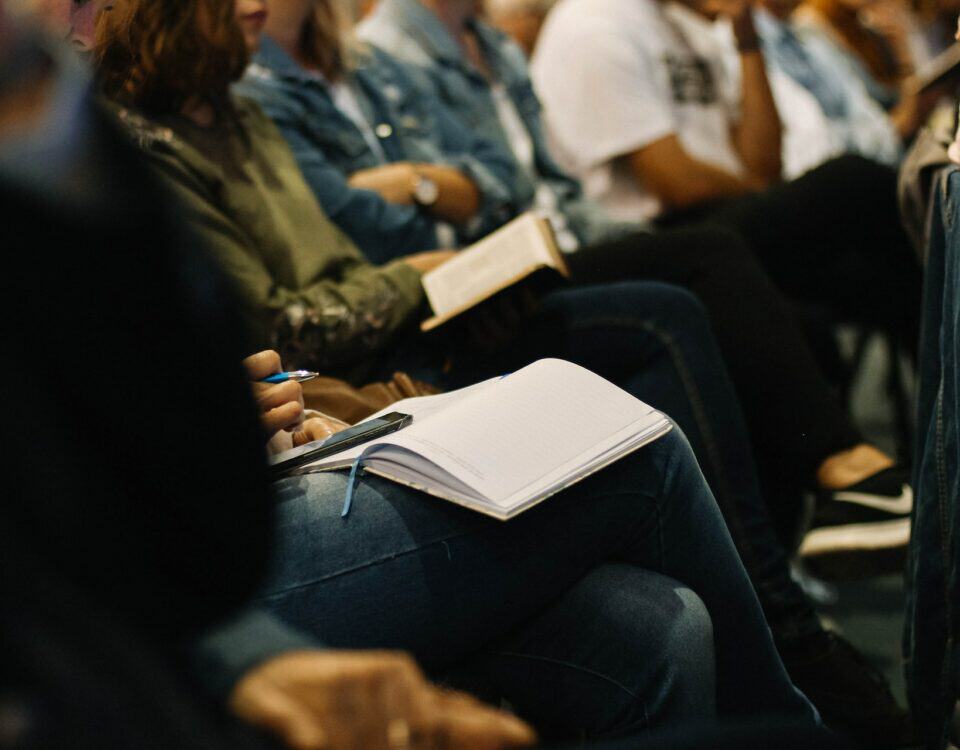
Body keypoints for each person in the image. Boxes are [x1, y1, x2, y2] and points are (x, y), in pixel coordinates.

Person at [80, 0, 915, 742]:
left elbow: (465, 196)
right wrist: (435, 253)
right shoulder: (142, 140)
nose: (85, 33)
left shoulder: (236, 115)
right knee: (641, 427)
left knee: (668, 624)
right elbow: (298, 314)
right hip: (192, 541)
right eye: (76, 8)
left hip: (285, 447)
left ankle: (807, 605)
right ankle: (803, 676)